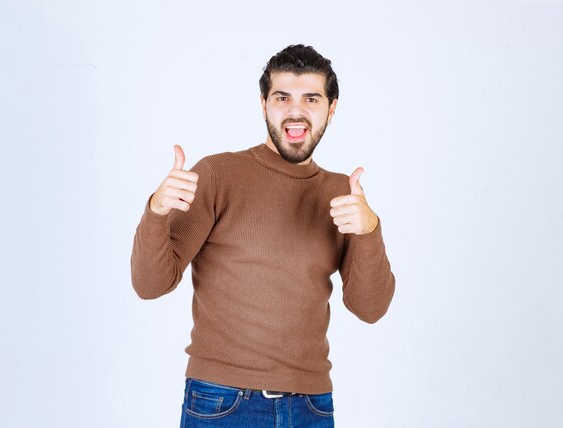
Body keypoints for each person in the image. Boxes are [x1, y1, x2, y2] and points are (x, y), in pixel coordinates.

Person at [131, 44, 396, 427]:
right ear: (263, 104)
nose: (295, 111)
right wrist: (156, 211)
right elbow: (150, 284)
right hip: (223, 402)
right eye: (282, 97)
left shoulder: (343, 194)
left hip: (311, 406)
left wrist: (370, 230)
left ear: (331, 108)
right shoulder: (218, 174)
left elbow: (370, 309)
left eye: (311, 98)